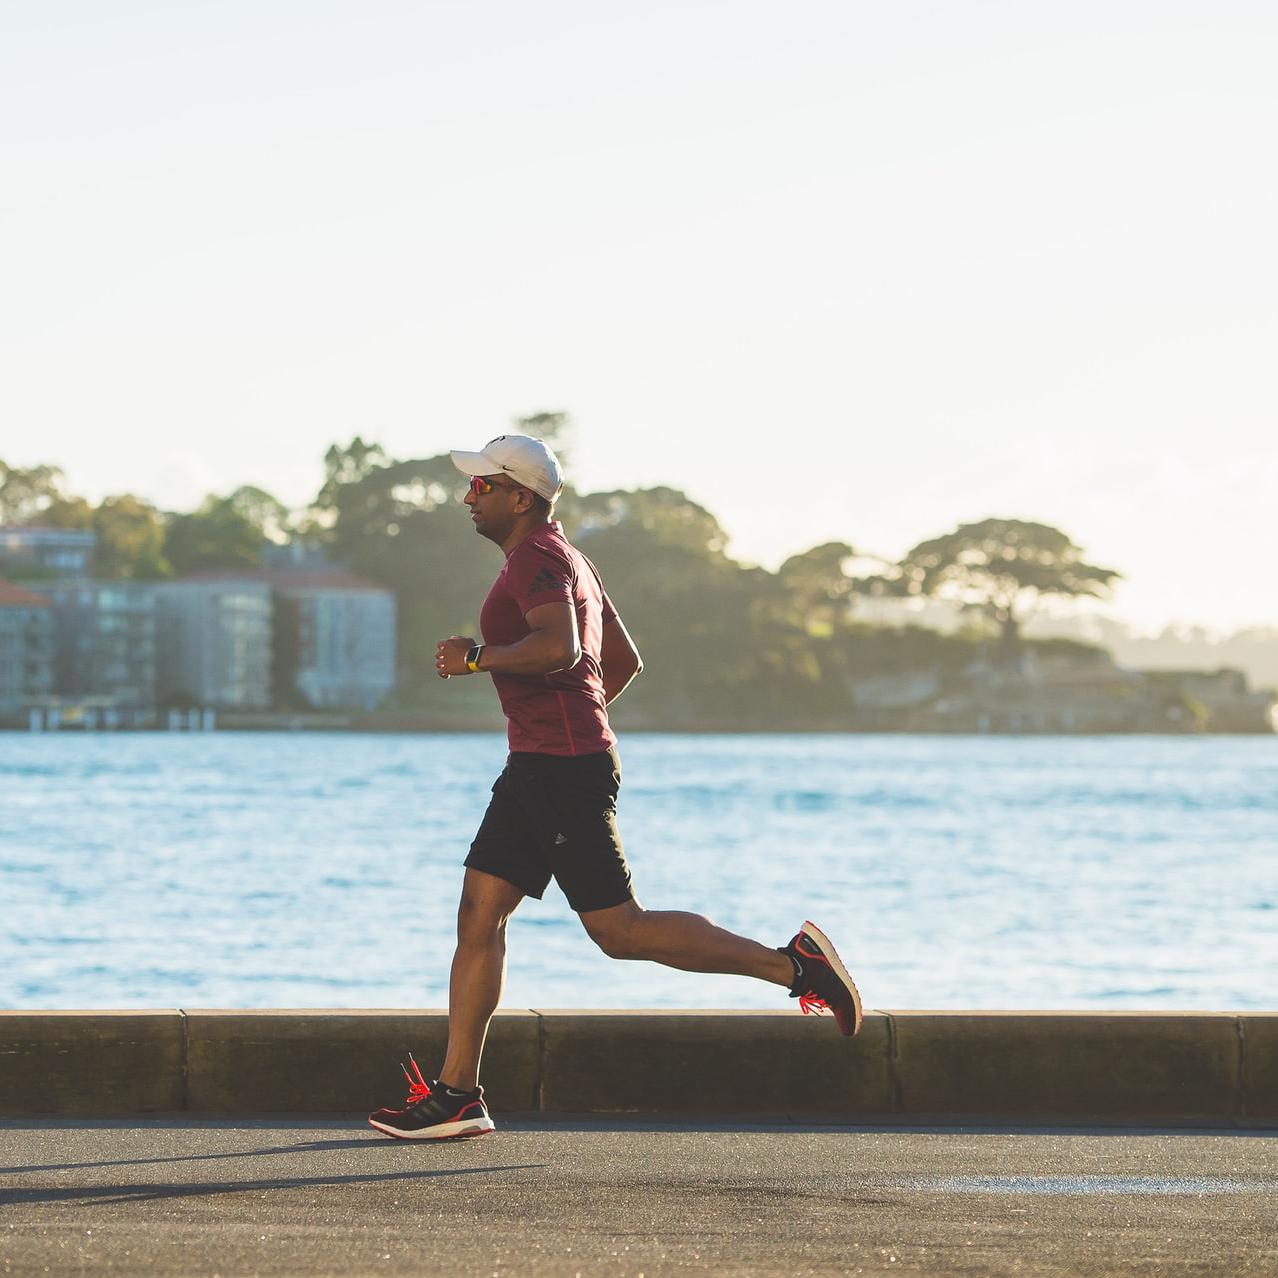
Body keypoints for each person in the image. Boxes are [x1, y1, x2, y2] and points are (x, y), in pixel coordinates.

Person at [368, 434, 862, 1140]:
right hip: (542, 765)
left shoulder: (539, 559)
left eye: (482, 486)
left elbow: (564, 649)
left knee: (619, 931)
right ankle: (458, 1094)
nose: (468, 496)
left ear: (520, 496)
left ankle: (795, 967)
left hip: (560, 771)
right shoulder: (570, 559)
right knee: (480, 913)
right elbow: (621, 660)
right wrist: (573, 719)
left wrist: (479, 659)